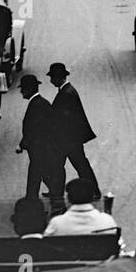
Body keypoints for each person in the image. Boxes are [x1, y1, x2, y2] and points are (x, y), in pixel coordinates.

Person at [48, 63, 100, 194]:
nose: (50, 81)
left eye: (52, 77)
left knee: (78, 166)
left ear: (58, 77)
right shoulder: (68, 90)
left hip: (68, 140)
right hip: (70, 139)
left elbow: (62, 119)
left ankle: (93, 191)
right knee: (64, 165)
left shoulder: (66, 94)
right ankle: (93, 190)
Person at [17, 74, 65, 211]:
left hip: (41, 150)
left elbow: (34, 129)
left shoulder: (36, 105)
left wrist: (22, 144)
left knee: (39, 174)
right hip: (42, 149)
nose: (21, 92)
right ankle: (35, 198)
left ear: (28, 90)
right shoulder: (40, 103)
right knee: (39, 174)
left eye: (22, 89)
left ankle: (41, 201)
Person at [45, 178, 121, 243]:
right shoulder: (107, 220)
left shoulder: (57, 223)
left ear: (68, 199)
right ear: (93, 197)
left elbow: (44, 246)